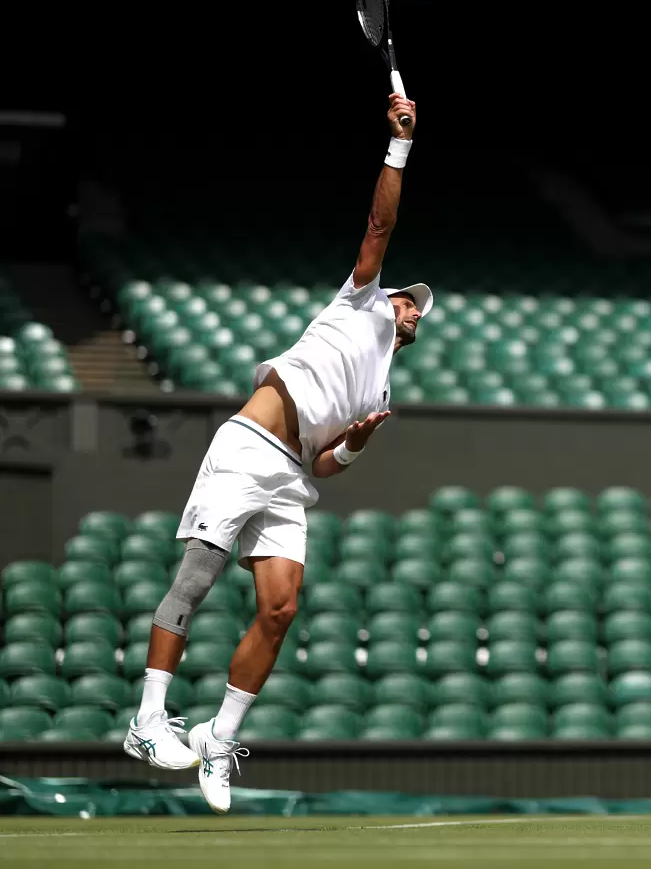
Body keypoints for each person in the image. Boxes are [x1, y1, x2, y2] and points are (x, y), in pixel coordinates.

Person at [121, 93, 430, 814]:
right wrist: (399, 146)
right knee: (197, 578)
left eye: (420, 310)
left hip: (291, 476)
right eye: (410, 300)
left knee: (281, 608)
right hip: (247, 447)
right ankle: (146, 720)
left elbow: (323, 464)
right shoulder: (357, 300)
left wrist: (352, 446)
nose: (414, 310)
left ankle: (219, 739)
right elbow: (380, 222)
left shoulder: (377, 384)